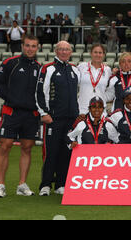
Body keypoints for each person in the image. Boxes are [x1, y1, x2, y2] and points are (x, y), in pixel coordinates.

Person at [0, 35, 41, 198]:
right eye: (27, 45)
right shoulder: (10, 63)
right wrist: (11, 98)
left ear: (37, 48)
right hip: (11, 112)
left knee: (27, 148)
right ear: (22, 46)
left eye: (33, 46)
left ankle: (22, 184)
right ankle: (0, 185)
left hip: (31, 115)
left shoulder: (40, 68)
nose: (30, 49)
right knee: (5, 146)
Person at [35, 41, 80, 196]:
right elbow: (40, 92)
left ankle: (61, 184)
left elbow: (77, 93)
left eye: (67, 49)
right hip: (54, 119)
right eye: (61, 49)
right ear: (56, 51)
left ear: (71, 52)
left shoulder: (74, 70)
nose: (64, 52)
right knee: (51, 152)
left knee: (66, 152)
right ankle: (45, 184)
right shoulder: (48, 68)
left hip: (71, 120)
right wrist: (44, 113)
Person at [76, 44, 113, 116]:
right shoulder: (82, 67)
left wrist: (102, 97)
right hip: (82, 109)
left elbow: (111, 90)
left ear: (103, 55)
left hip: (100, 110)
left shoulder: (107, 70)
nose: (97, 55)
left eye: (100, 53)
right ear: (91, 53)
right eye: (95, 52)